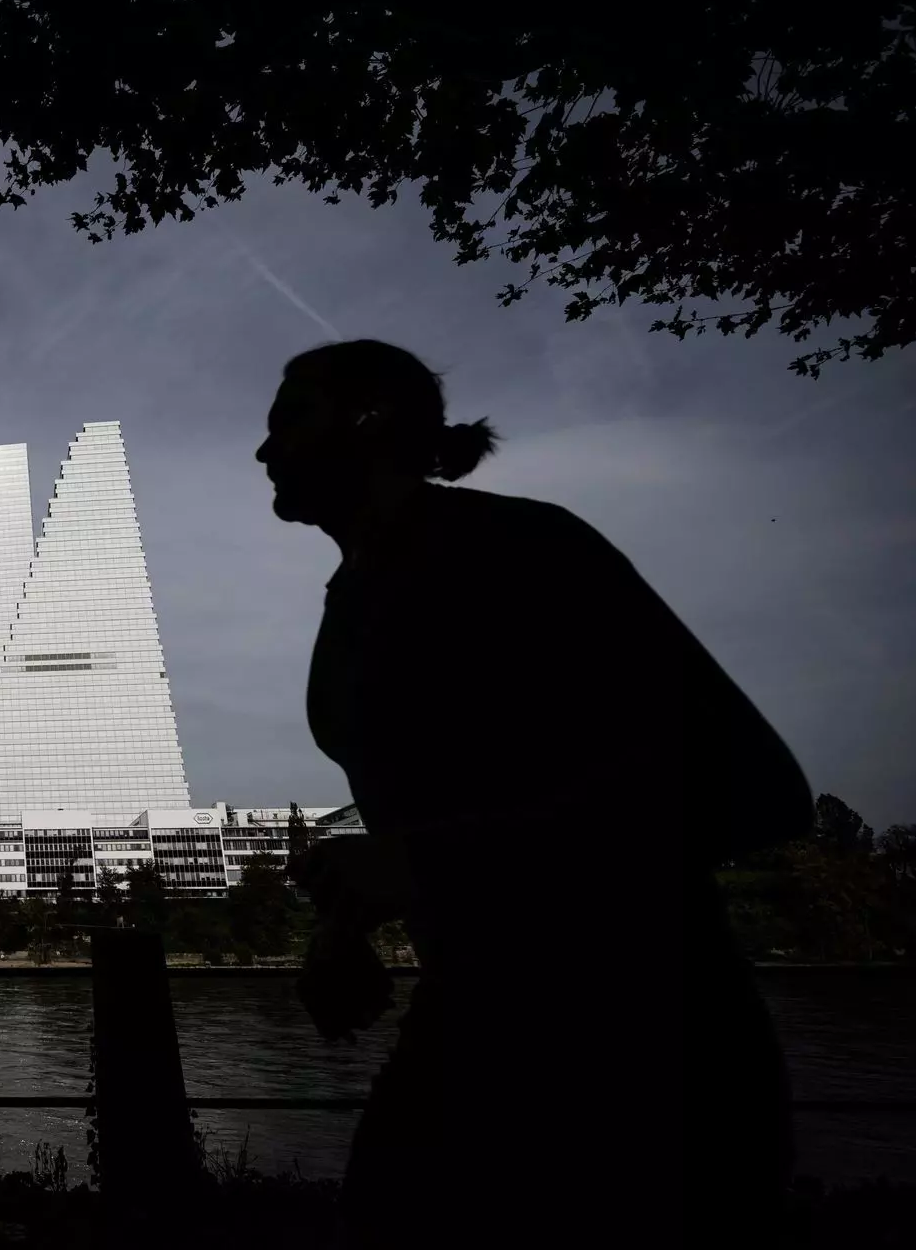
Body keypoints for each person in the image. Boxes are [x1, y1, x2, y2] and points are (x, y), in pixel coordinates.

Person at [257, 340, 810, 1247]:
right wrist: (346, 924)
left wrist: (423, 863)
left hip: (646, 1037)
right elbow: (436, 811)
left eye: (291, 417)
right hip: (471, 1021)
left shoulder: (518, 545)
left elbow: (754, 786)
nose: (264, 448)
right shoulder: (348, 601)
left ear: (371, 419)